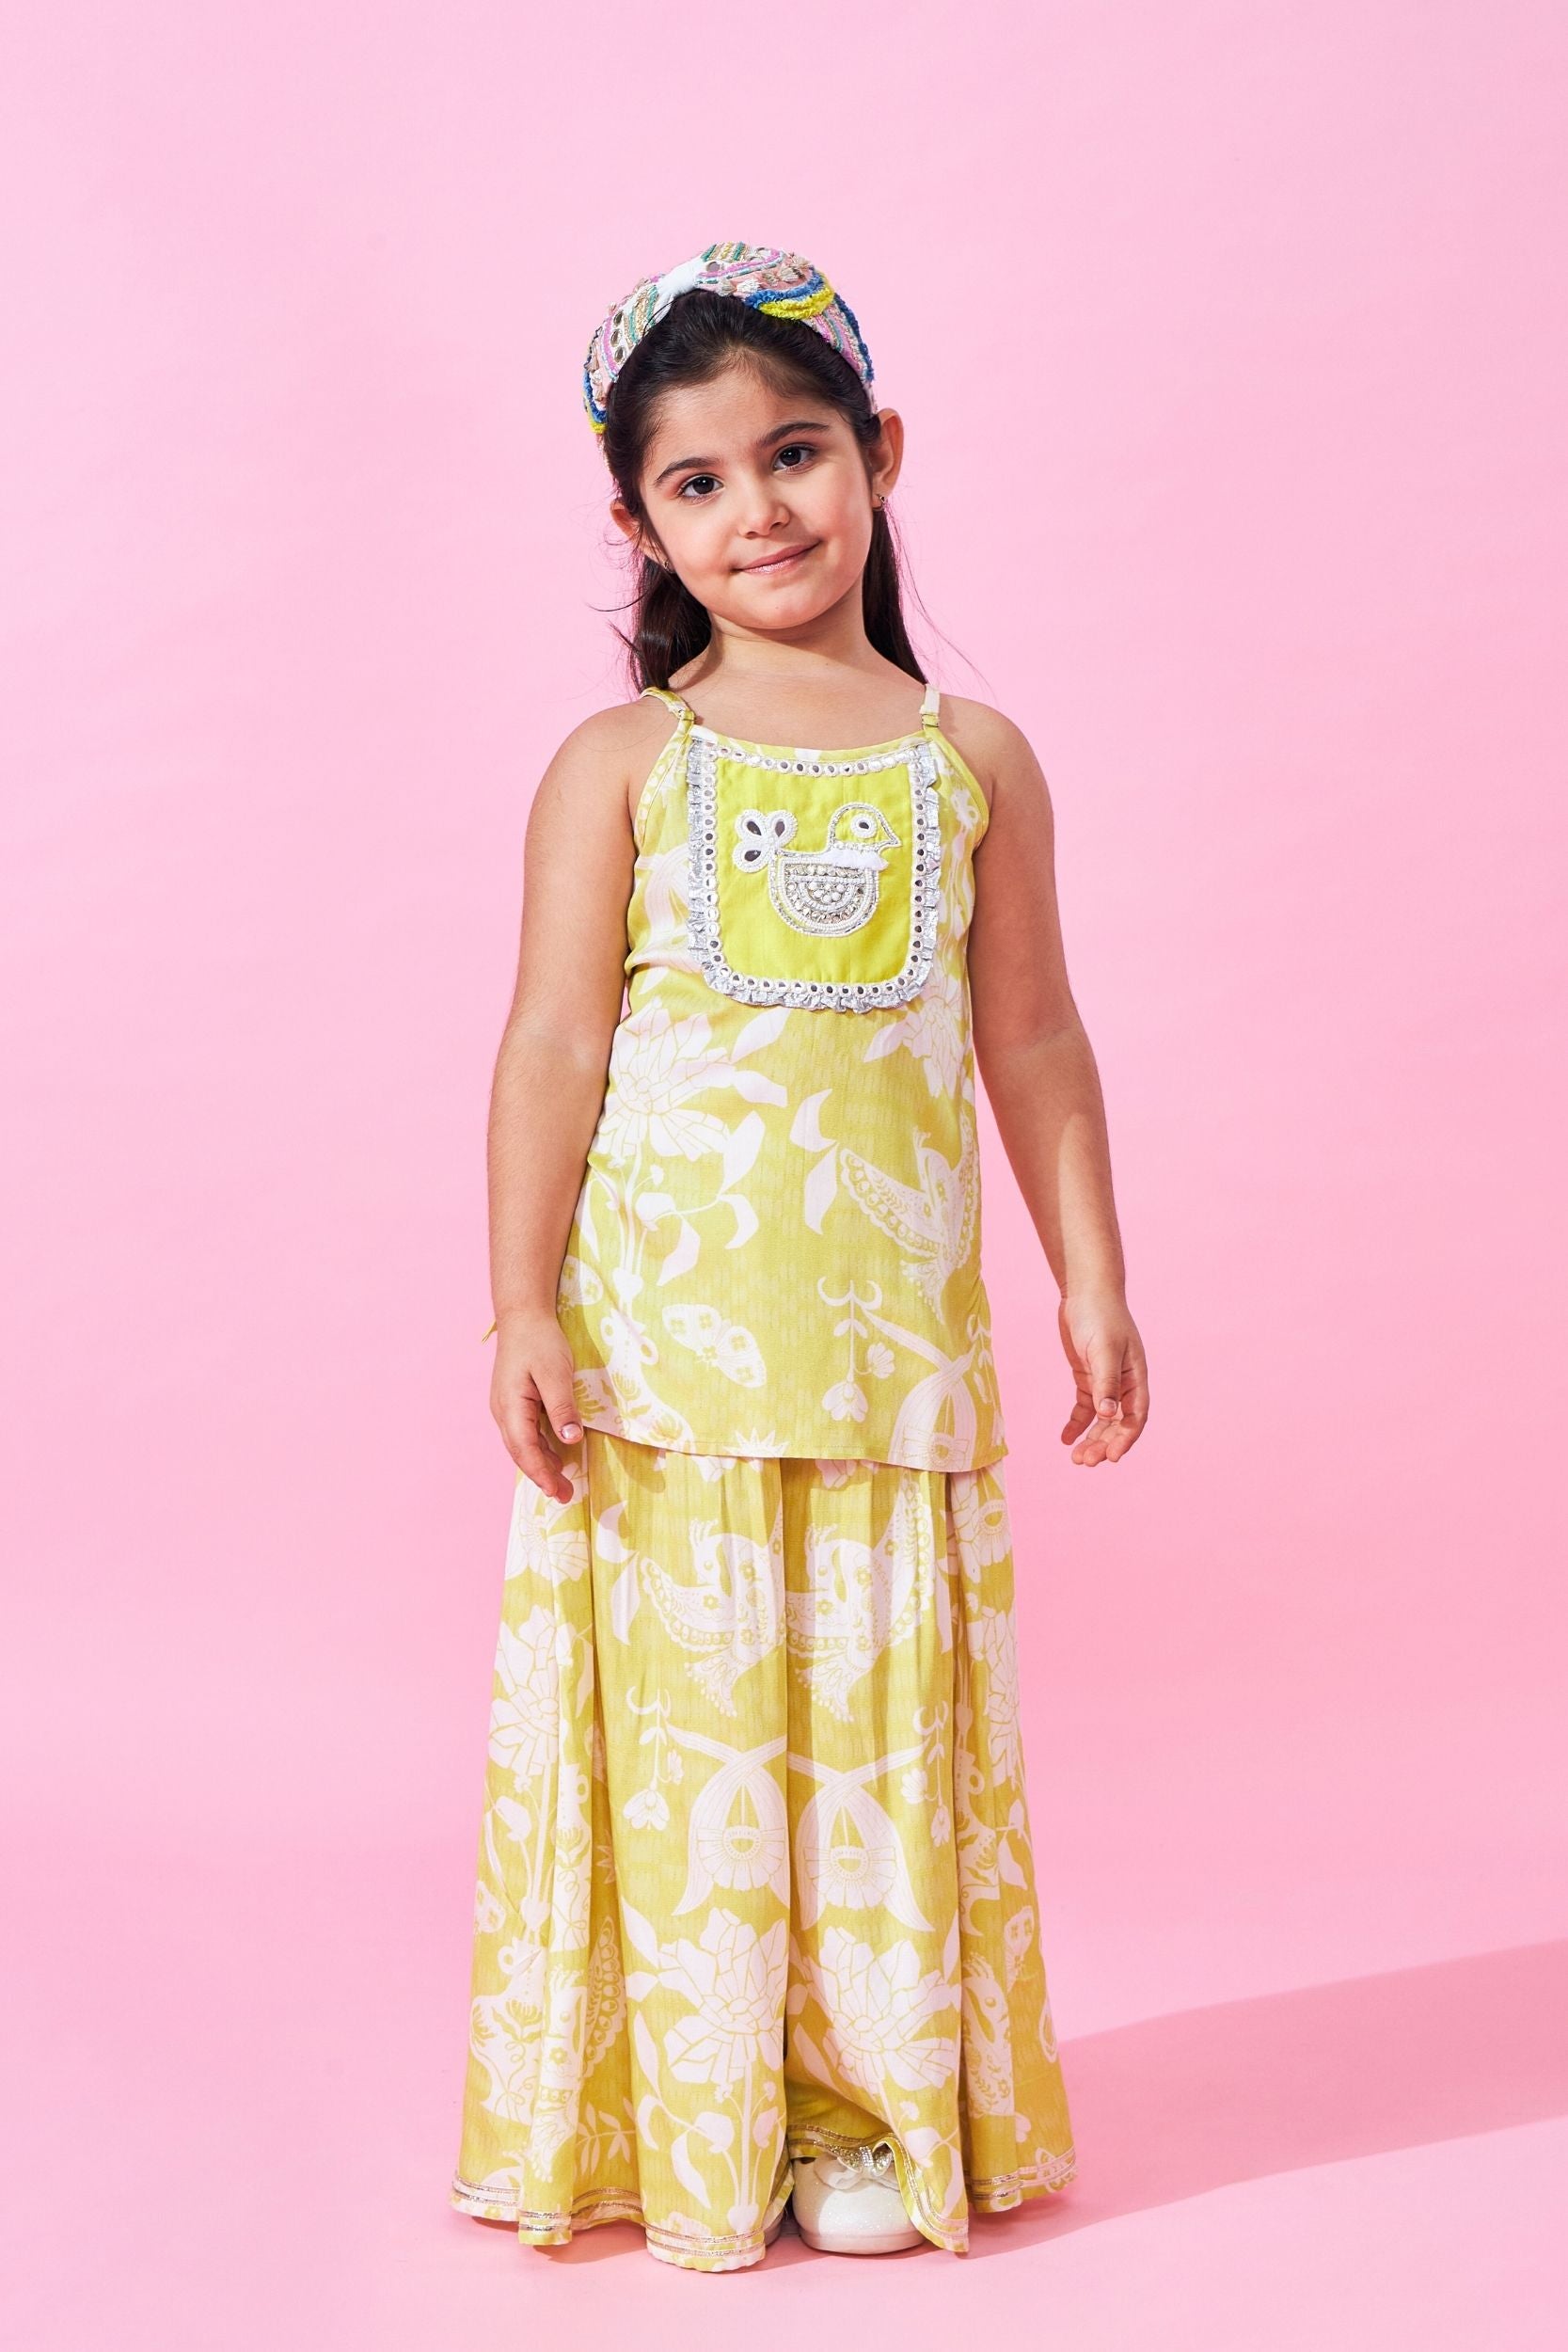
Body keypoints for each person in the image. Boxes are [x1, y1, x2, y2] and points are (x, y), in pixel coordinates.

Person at [449, 241, 1148, 2274]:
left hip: (888, 1381)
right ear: (638, 520)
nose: (758, 510)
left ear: (879, 455)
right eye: (698, 480)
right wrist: (519, 1303)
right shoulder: (623, 766)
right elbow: (552, 1044)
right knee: (694, 1755)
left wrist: (1092, 1275)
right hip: (665, 1378)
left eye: (796, 454)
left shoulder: (971, 762)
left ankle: (859, 2106)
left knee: (869, 1755)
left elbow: (1035, 1038)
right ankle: (691, 2111)